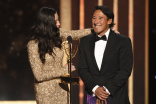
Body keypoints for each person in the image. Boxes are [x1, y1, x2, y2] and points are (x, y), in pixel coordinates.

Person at [27, 7, 92, 104]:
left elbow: (74, 34)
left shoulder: (57, 34)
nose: (58, 24)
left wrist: (97, 30)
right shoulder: (33, 45)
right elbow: (39, 75)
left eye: (58, 20)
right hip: (46, 93)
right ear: (46, 23)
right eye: (55, 21)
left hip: (62, 88)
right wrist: (64, 69)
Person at [77, 6, 133, 104]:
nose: (96, 21)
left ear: (109, 21)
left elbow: (125, 70)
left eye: (100, 18)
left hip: (116, 96)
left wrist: (106, 91)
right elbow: (82, 68)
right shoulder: (85, 41)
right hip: (92, 96)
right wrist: (95, 89)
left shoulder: (123, 41)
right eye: (94, 18)